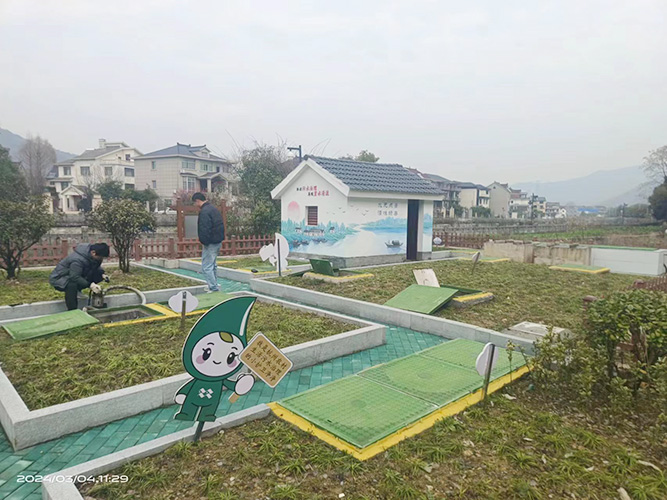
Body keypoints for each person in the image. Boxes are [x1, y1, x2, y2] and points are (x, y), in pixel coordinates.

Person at [49, 242, 110, 310]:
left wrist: (102, 274)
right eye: (100, 257)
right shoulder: (77, 260)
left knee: (97, 276)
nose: (101, 259)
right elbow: (74, 277)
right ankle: (72, 310)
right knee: (72, 285)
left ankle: (79, 290)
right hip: (60, 278)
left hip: (74, 274)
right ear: (93, 252)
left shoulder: (92, 256)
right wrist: (90, 285)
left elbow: (95, 267)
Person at [192, 192, 225, 292]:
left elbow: (204, 228)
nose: (195, 205)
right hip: (217, 241)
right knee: (213, 265)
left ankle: (213, 288)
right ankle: (214, 285)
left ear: (198, 201)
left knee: (206, 267)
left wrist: (204, 241)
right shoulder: (213, 209)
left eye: (195, 203)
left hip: (210, 242)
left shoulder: (204, 212)